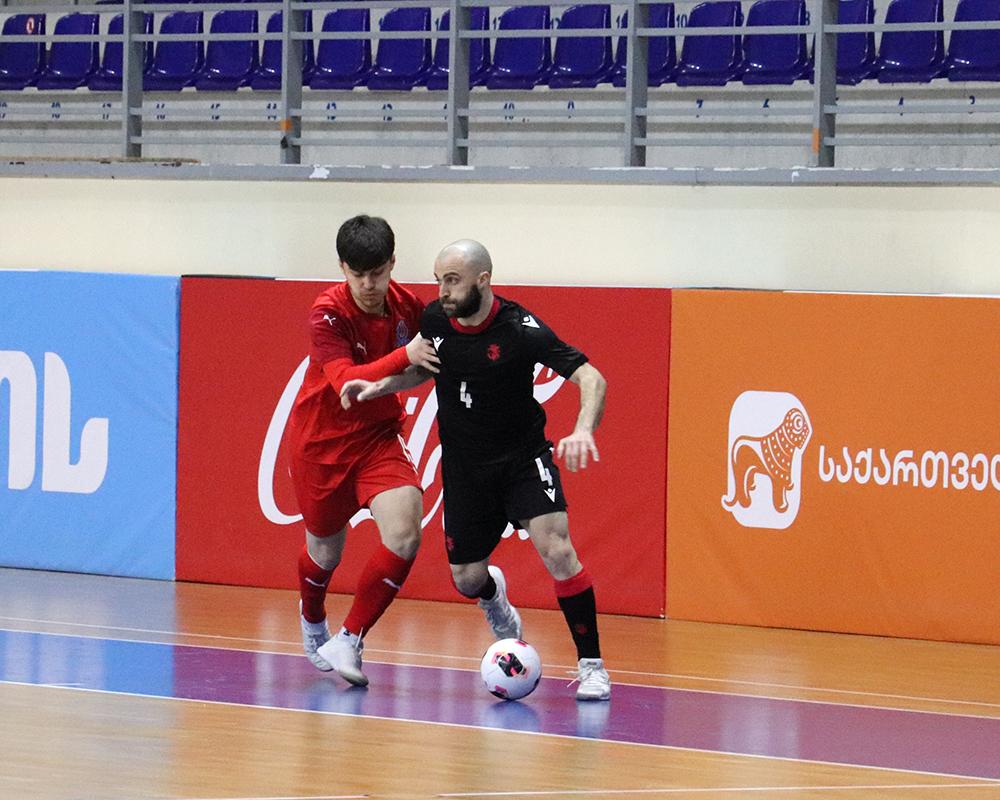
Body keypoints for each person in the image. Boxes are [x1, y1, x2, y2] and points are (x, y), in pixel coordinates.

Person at [342, 239, 612, 701]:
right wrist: (382, 384)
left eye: (453, 281)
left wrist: (583, 430)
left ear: (483, 280)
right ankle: (493, 595)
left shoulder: (521, 329)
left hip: (523, 460)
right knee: (466, 579)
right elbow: (425, 369)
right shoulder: (434, 321)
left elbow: (591, 377)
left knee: (558, 550)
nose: (443, 292)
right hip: (466, 471)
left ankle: (592, 668)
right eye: (438, 281)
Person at [288, 214, 439, 687]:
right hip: (321, 444)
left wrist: (409, 370)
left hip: (377, 438)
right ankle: (313, 616)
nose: (369, 285)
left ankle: (350, 638)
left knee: (405, 532)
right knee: (325, 554)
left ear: (393, 263)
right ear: (342, 268)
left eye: (377, 272)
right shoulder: (326, 313)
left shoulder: (408, 307)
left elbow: (430, 364)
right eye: (358, 274)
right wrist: (406, 356)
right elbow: (346, 381)